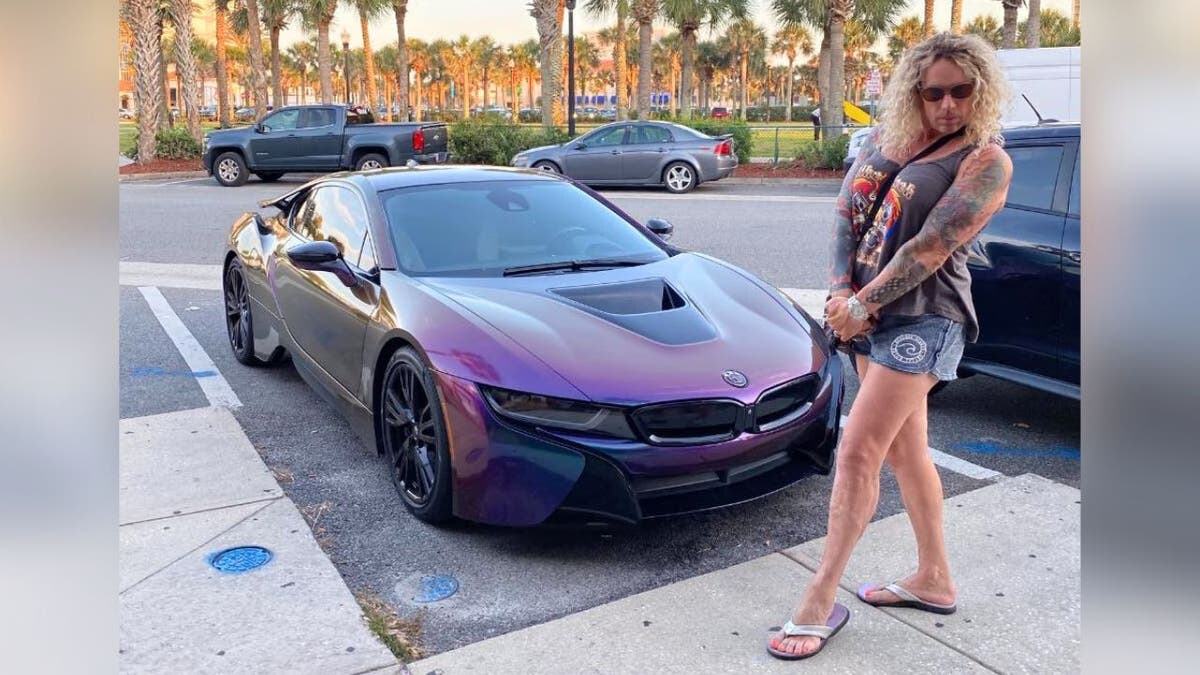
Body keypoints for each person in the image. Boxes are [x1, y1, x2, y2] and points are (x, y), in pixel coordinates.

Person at [767, 32, 1014, 661]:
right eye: (934, 92)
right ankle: (935, 579)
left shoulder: (985, 161)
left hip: (926, 317)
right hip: (864, 316)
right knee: (908, 452)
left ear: (981, 90)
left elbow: (929, 248)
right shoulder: (888, 138)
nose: (948, 105)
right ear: (915, 92)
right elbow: (845, 216)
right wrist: (839, 291)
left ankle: (819, 597)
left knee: (858, 449)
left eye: (962, 91)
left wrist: (859, 306)